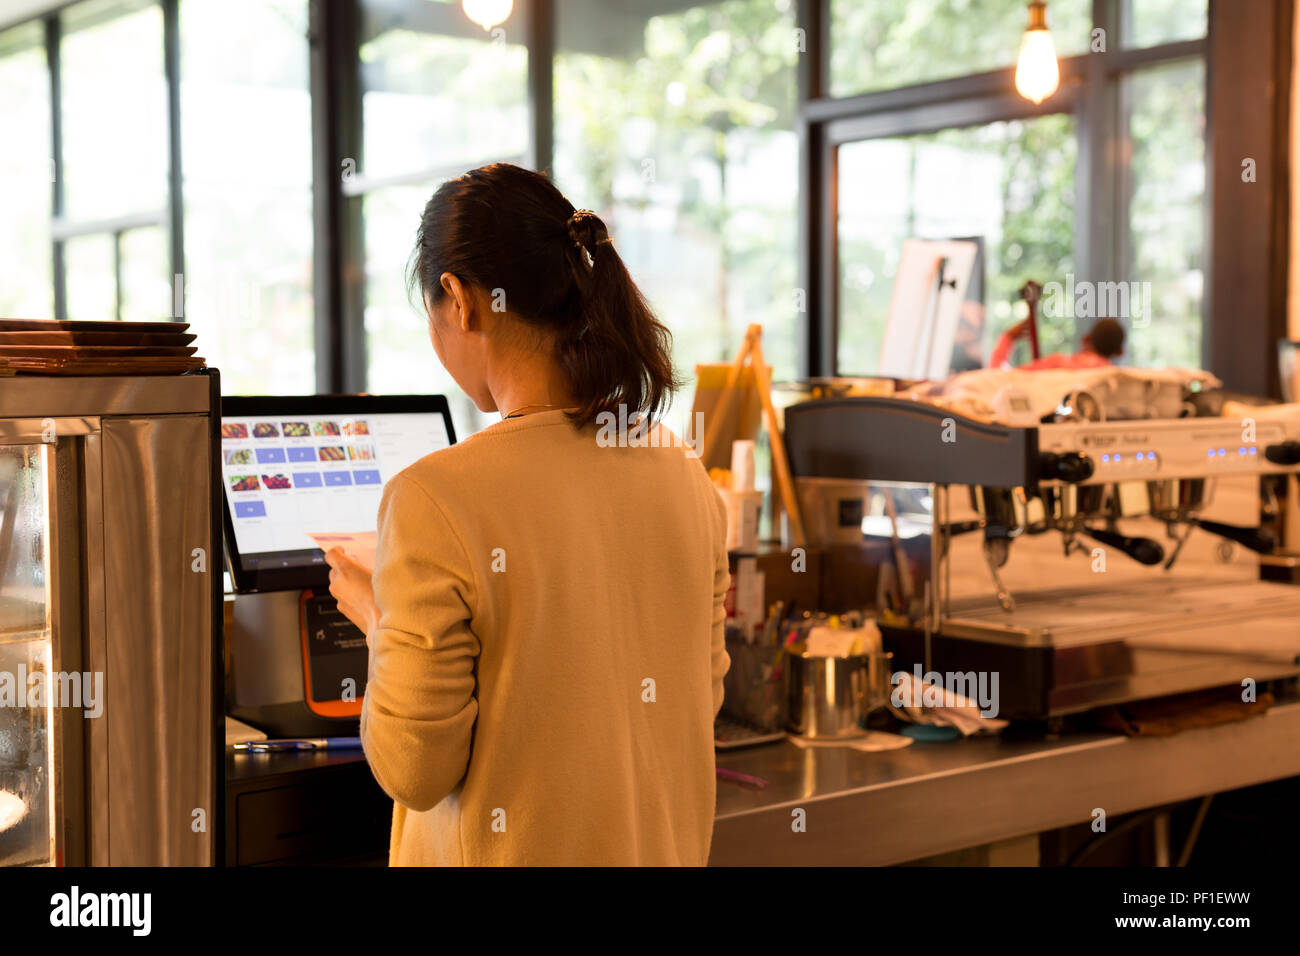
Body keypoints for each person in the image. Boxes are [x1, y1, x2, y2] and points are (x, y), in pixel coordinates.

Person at [323, 163, 730, 866]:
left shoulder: (434, 497)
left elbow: (415, 770)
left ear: (458, 298)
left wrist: (378, 620)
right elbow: (700, 695)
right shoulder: (679, 467)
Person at [988, 316, 1125, 370]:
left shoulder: (1058, 364)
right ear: (1120, 352)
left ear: (1086, 339)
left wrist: (1008, 337)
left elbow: (999, 379)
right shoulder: (1113, 380)